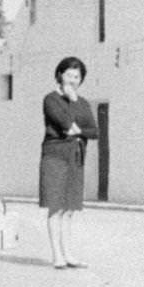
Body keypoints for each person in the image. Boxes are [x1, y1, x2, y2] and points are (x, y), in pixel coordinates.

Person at [39, 56, 97, 268]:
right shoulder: (51, 99)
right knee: (56, 207)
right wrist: (74, 121)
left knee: (70, 208)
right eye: (69, 75)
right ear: (60, 75)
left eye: (77, 76)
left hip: (76, 156)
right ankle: (57, 255)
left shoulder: (82, 103)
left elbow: (93, 131)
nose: (73, 79)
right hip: (55, 155)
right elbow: (65, 123)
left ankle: (69, 254)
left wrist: (78, 129)